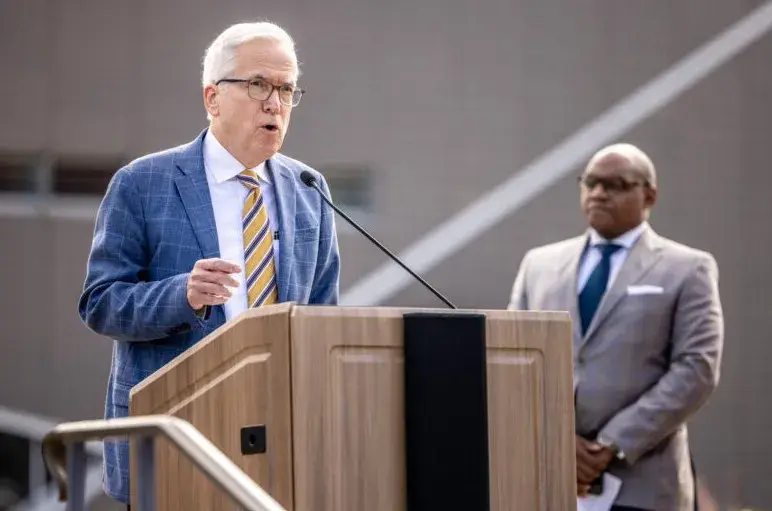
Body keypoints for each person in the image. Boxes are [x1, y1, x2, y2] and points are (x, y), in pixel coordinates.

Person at [78, 21, 340, 506]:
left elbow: (323, 315)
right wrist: (182, 295)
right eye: (258, 84)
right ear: (212, 97)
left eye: (286, 89)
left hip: (280, 438)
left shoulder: (309, 189)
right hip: (175, 433)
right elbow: (100, 303)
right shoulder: (142, 182)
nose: (275, 103)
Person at [508, 143, 723, 511]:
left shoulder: (688, 269)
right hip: (547, 478)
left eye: (615, 185)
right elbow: (512, 361)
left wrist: (610, 444)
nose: (598, 193)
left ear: (649, 195)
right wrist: (558, 439)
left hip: (642, 483)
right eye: (590, 183)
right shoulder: (538, 265)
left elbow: (697, 368)